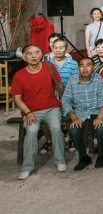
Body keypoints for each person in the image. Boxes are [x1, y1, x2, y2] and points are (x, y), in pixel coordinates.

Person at [11, 45, 66, 180]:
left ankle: (60, 160)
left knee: (56, 128)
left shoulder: (49, 67)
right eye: (30, 54)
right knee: (31, 131)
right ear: (24, 58)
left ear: (41, 55)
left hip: (52, 108)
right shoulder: (19, 75)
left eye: (37, 52)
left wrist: (64, 103)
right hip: (31, 111)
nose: (34, 56)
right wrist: (28, 112)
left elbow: (59, 86)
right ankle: (27, 167)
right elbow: (17, 99)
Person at [63, 57, 103, 170]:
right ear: (78, 68)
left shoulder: (97, 78)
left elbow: (102, 99)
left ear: (93, 67)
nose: (85, 68)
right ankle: (83, 157)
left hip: (97, 110)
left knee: (100, 129)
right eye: (82, 65)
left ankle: (101, 155)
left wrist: (100, 116)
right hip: (80, 112)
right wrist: (73, 117)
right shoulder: (72, 80)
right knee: (74, 130)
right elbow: (66, 100)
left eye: (88, 65)